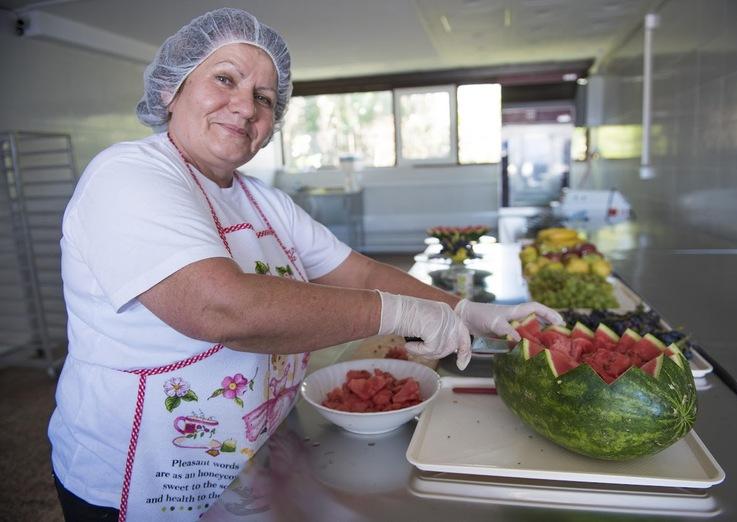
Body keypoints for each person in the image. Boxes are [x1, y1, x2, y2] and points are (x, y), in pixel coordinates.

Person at [48, 8, 562, 522]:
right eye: (224, 78)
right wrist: (400, 314)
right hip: (143, 477)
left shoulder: (261, 200)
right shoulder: (127, 176)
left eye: (265, 99)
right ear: (171, 89)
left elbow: (358, 272)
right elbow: (221, 310)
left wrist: (468, 310)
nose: (245, 107)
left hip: (252, 455)